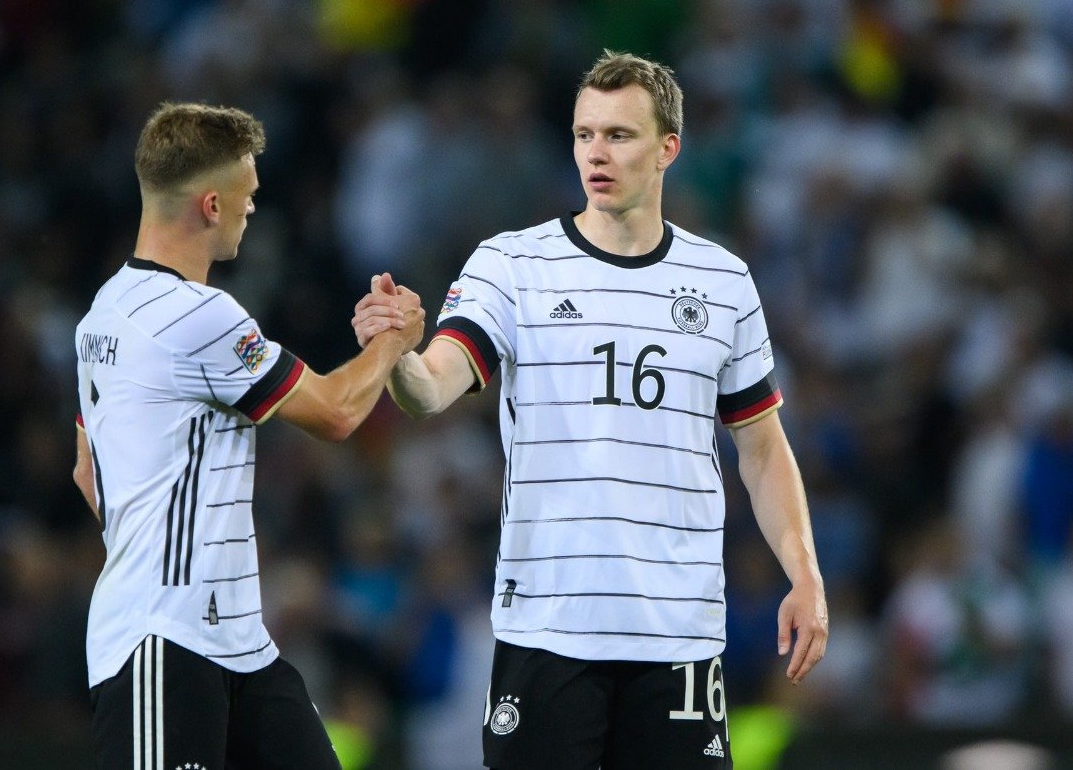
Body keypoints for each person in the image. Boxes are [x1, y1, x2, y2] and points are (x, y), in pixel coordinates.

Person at [352, 51, 828, 768]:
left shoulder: (724, 282)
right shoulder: (512, 266)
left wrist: (805, 572)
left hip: (678, 633)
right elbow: (431, 389)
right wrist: (396, 354)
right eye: (584, 135)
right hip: (549, 629)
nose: (596, 154)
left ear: (668, 148)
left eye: (619, 135)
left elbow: (761, 449)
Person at [73, 102, 422, 770]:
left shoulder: (102, 316)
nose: (253, 209)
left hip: (236, 643)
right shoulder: (198, 317)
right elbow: (336, 412)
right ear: (210, 204)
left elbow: (89, 473)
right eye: (247, 196)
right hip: (162, 642)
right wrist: (390, 341)